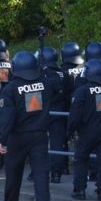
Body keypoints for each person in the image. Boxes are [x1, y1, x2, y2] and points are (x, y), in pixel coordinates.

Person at [0, 50, 51, 201]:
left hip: (18, 137)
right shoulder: (45, 84)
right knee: (41, 173)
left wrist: (1, 139)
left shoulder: (10, 89)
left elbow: (7, 117)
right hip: (40, 134)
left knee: (13, 172)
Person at [69, 59, 101, 201]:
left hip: (87, 131)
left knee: (81, 159)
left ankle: (79, 190)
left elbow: (75, 114)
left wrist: (70, 130)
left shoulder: (82, 91)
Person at [38, 46, 68, 183]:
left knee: (39, 143)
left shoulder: (43, 74)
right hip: (60, 111)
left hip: (45, 112)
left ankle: (37, 171)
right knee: (57, 143)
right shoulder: (63, 72)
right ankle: (57, 173)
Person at [58, 42, 85, 178]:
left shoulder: (62, 70)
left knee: (63, 137)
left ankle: (64, 167)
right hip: (83, 108)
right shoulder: (85, 68)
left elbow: (62, 91)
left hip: (66, 108)